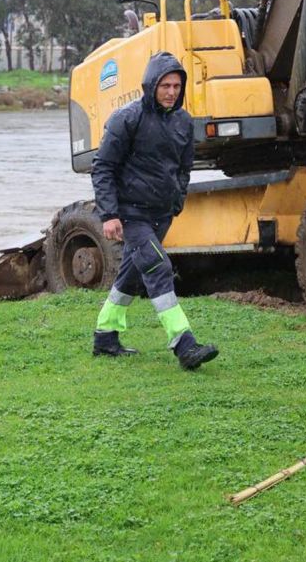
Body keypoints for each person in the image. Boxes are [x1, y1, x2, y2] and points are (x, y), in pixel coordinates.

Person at [90, 51, 219, 370]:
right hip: (130, 213)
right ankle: (184, 344)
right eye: (165, 85)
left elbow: (185, 167)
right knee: (159, 267)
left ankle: (105, 337)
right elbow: (102, 167)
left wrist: (178, 201)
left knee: (132, 274)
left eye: (177, 86)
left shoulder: (184, 122)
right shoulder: (127, 118)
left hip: (162, 213)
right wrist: (109, 214)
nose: (172, 92)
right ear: (151, 85)